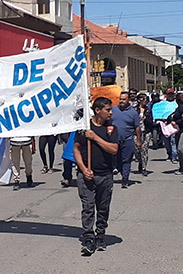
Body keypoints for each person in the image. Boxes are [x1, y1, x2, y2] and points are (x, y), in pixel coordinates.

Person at [74, 97, 119, 256]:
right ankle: (88, 236)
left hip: (105, 175)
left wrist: (95, 138)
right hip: (87, 176)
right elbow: (76, 150)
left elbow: (114, 149)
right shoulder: (84, 128)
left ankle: (100, 234)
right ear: (98, 110)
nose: (111, 113)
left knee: (103, 206)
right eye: (108, 110)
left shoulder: (111, 129)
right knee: (88, 206)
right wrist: (83, 168)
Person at [110, 91, 142, 188]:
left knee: (126, 160)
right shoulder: (113, 110)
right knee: (117, 161)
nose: (121, 101)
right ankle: (121, 171)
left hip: (127, 140)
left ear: (128, 100)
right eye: (120, 99)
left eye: (124, 99)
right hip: (115, 140)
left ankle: (125, 179)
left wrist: (138, 140)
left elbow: (137, 127)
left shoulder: (133, 113)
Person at [135, 93, 154, 176]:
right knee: (136, 150)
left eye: (146, 99)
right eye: (143, 99)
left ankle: (144, 167)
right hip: (136, 132)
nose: (145, 100)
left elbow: (151, 122)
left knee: (144, 149)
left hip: (146, 132)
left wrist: (146, 119)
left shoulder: (148, 110)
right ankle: (140, 161)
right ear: (139, 100)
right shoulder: (135, 110)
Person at [160, 88, 178, 162]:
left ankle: (174, 156)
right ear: (166, 95)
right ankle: (169, 154)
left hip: (173, 124)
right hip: (164, 124)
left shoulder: (176, 103)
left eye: (172, 94)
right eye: (169, 94)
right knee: (166, 142)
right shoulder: (162, 104)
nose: (170, 95)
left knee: (173, 141)